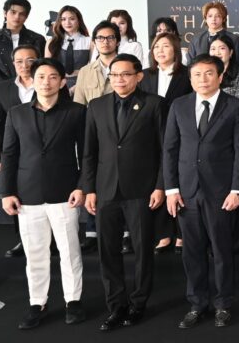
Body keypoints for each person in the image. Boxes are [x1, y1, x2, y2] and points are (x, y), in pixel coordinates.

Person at [81, 53, 167, 331]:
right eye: (115, 74)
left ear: (138, 76)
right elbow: (89, 153)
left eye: (126, 74)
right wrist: (89, 189)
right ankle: (116, 306)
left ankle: (138, 303)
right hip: (105, 189)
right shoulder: (96, 106)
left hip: (142, 190)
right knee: (107, 251)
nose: (119, 79)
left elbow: (165, 150)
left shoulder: (155, 104)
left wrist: (160, 186)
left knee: (142, 250)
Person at [163, 54, 239, 329]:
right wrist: (171, 189)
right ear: (190, 78)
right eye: (197, 74)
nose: (203, 79)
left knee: (222, 251)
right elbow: (170, 149)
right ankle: (197, 303)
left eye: (209, 73)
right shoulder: (179, 105)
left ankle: (223, 304)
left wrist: (237, 190)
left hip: (221, 193)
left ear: (220, 76)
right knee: (192, 251)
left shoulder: (235, 107)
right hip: (186, 192)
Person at [0, 58, 86, 329]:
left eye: (52, 77)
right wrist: (6, 192)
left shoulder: (77, 112)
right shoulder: (16, 113)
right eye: (40, 77)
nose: (46, 82)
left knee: (70, 252)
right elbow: (9, 154)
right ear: (33, 80)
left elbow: (87, 154)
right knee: (35, 254)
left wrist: (82, 186)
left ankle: (73, 301)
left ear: (62, 81)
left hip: (65, 193)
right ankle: (37, 303)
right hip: (27, 195)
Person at [72, 21, 122, 252]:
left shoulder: (127, 66)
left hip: (121, 134)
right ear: (94, 41)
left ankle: (125, 231)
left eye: (110, 37)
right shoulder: (85, 71)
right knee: (93, 179)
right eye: (100, 38)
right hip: (93, 133)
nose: (105, 42)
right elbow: (79, 105)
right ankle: (92, 231)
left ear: (117, 40)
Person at [140, 33, 192, 254]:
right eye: (156, 47)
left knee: (179, 180)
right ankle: (163, 233)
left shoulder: (187, 74)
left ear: (176, 50)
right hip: (151, 133)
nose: (160, 50)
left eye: (165, 46)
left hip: (181, 132)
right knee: (158, 181)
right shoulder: (145, 75)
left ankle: (181, 233)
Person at [0, 44, 38, 258]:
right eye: (19, 61)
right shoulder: (3, 88)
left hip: (42, 151)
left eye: (30, 60)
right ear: (13, 63)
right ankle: (24, 239)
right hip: (12, 152)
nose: (24, 65)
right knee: (16, 194)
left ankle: (51, 240)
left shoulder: (47, 82)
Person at [0, 0, 46, 105]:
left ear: (26, 16)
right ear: (5, 13)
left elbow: (41, 65)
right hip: (0, 93)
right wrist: (8, 88)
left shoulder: (37, 39)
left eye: (22, 14)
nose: (17, 17)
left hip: (31, 92)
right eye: (13, 12)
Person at [186, 1, 239, 70]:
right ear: (205, 19)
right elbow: (190, 65)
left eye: (218, 16)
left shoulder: (234, 39)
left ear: (223, 19)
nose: (213, 19)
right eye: (210, 16)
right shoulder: (196, 39)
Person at [45, 6, 91, 92]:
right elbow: (47, 68)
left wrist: (77, 87)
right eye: (63, 19)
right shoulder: (51, 42)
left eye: (72, 19)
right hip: (57, 83)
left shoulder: (89, 41)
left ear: (78, 20)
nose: (67, 23)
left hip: (82, 83)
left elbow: (93, 68)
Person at [210, 34, 239, 102]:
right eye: (213, 49)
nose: (217, 52)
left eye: (222, 48)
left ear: (230, 52)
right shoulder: (206, 73)